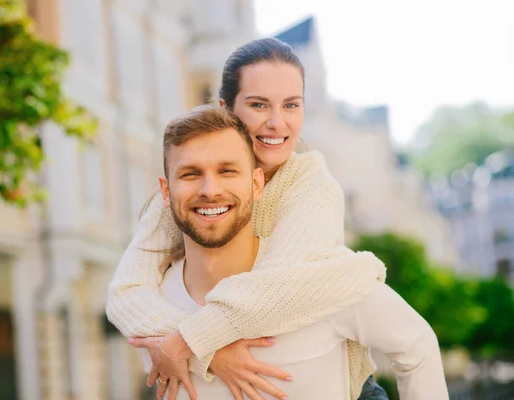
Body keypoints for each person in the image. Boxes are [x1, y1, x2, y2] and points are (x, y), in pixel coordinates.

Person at [107, 39, 402, 400]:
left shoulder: (313, 187)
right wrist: (211, 355)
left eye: (291, 105)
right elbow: (125, 294)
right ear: (226, 109)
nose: (277, 122)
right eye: (259, 104)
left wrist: (189, 343)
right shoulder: (193, 194)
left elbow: (271, 294)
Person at [135, 105, 448, 399]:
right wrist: (206, 353)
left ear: (257, 184)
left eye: (227, 171)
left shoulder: (313, 278)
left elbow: (417, 346)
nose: (209, 190)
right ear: (166, 191)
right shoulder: (156, 303)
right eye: (190, 174)